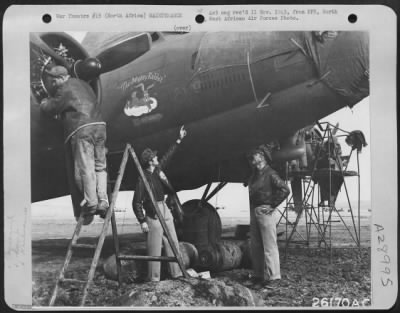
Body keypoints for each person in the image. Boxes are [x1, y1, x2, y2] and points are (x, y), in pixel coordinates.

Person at [40, 65, 109, 225]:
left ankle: (91, 203)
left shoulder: (64, 88)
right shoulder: (84, 84)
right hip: (100, 126)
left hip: (81, 128)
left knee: (85, 168)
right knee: (100, 167)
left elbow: (51, 108)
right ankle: (103, 200)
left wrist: (43, 102)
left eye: (54, 80)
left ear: (60, 78)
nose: (53, 83)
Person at [132, 126, 187, 282]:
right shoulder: (142, 178)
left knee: (173, 242)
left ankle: (176, 273)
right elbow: (136, 202)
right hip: (153, 214)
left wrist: (179, 139)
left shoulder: (157, 170)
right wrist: (142, 221)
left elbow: (168, 156)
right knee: (154, 248)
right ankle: (153, 279)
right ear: (150, 161)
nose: (157, 158)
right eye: (155, 157)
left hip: (164, 208)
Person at [246, 146, 290, 289]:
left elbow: (285, 189)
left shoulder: (270, 173)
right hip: (255, 211)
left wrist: (272, 205)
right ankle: (258, 276)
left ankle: (273, 278)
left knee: (269, 246)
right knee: (256, 246)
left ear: (263, 156)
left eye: (256, 154)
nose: (253, 157)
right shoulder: (255, 175)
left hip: (265, 211)